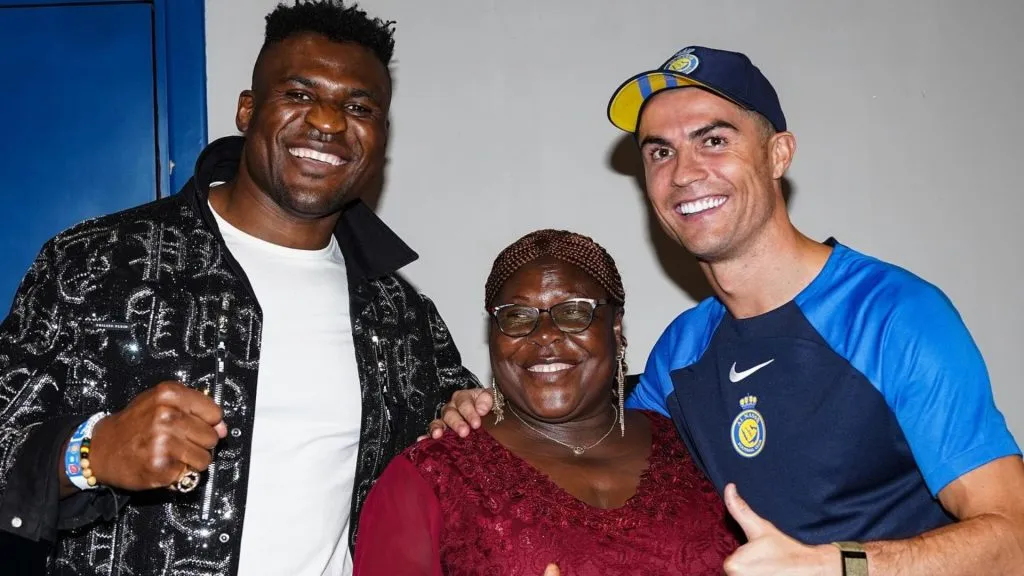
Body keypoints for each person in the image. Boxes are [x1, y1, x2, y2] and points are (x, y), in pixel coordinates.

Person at [431, 46, 1024, 575]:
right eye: (660, 151)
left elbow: (1015, 538)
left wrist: (835, 567)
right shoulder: (682, 352)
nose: (684, 173)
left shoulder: (893, 315)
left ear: (778, 155)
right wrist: (485, 412)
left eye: (714, 140)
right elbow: (588, 446)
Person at [0, 2, 477, 575]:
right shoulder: (97, 263)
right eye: (299, 95)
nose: (328, 121)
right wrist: (88, 452)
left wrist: (470, 416)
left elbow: (466, 445)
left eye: (358, 106)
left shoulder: (399, 313)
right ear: (247, 111)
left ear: (379, 136)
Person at [353, 230, 739, 575]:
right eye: (518, 316)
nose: (545, 335)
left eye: (573, 312)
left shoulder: (695, 447)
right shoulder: (429, 478)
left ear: (615, 326)